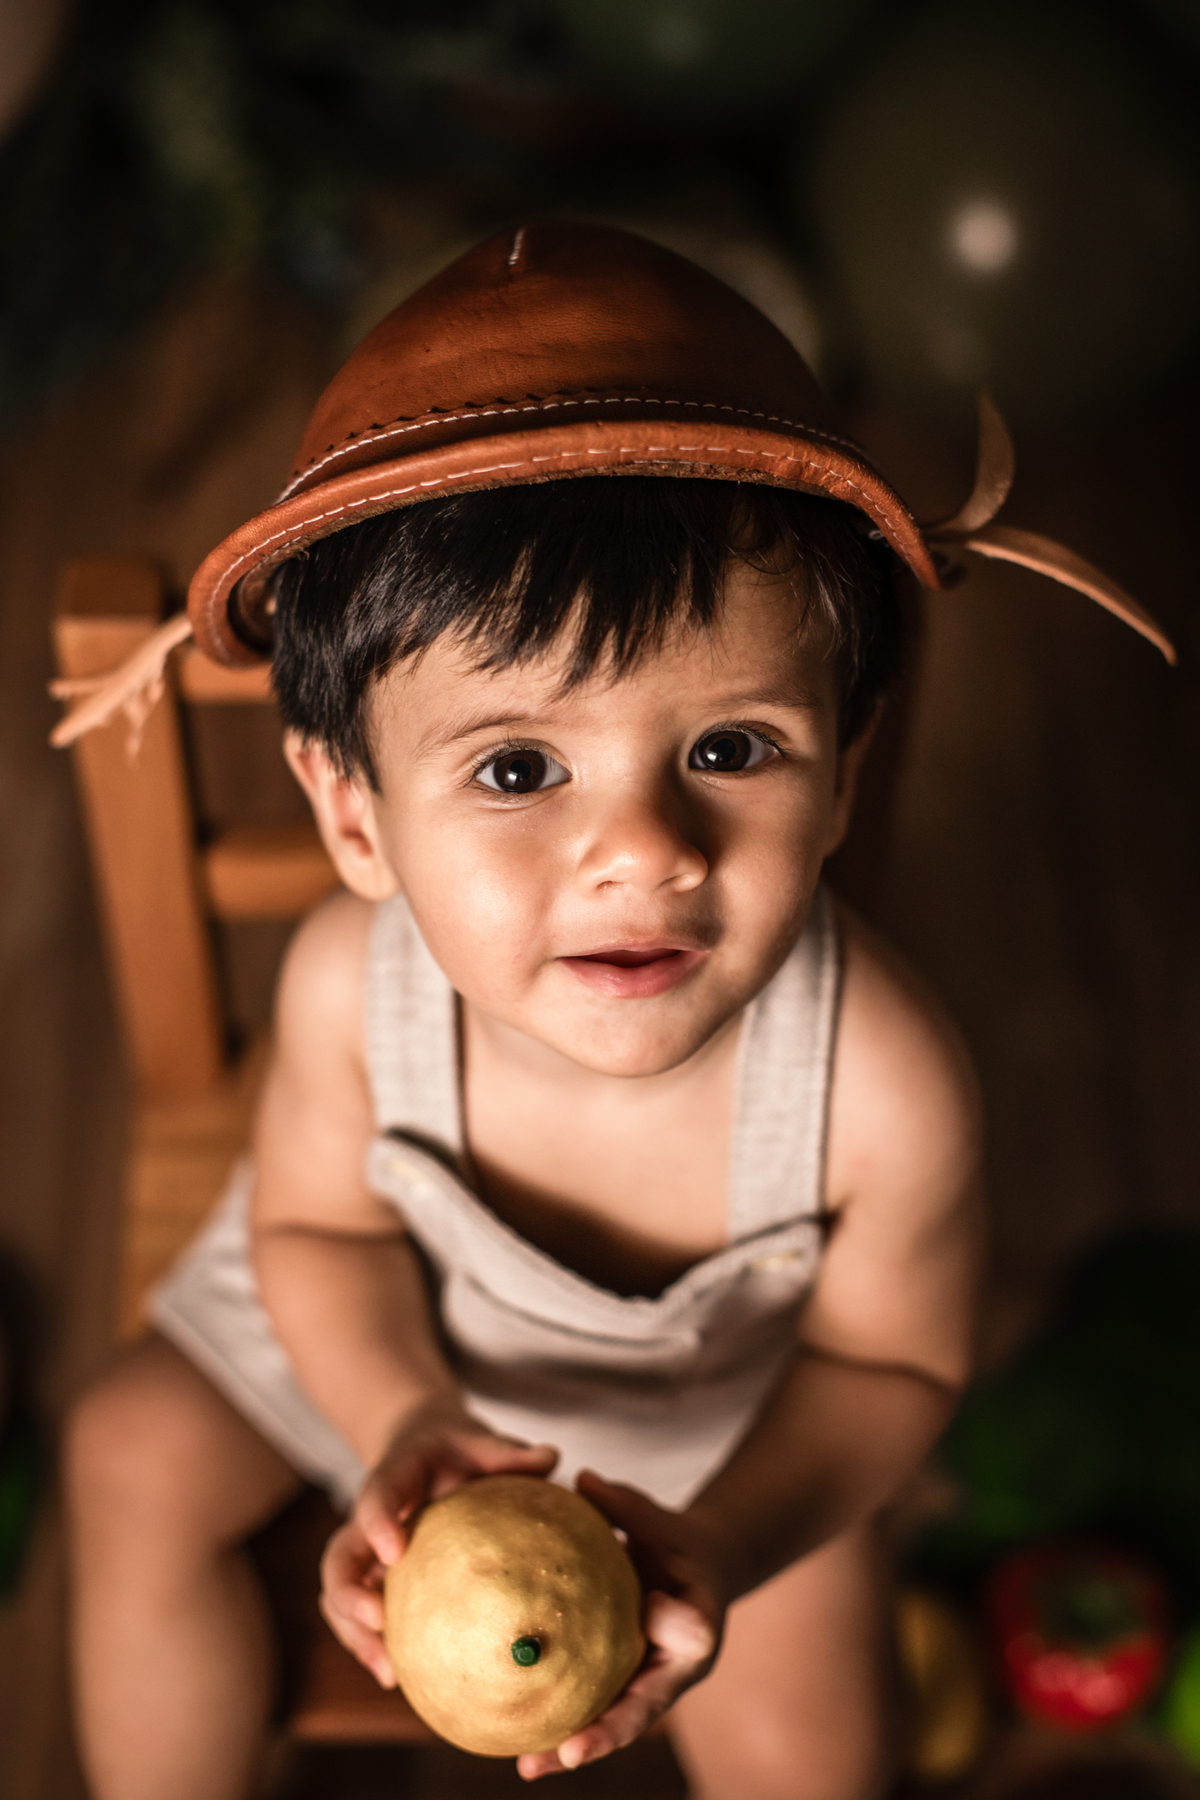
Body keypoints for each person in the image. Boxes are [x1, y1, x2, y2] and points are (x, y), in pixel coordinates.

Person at [61, 223, 1169, 1800]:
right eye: (517, 769)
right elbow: (318, 1239)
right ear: (355, 814)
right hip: (396, 1343)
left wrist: (731, 1535)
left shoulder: (883, 1083)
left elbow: (892, 1371)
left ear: (844, 770)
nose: (647, 849)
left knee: (814, 1752)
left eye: (731, 750)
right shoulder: (345, 990)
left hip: (723, 1438)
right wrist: (399, 1417)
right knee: (127, 1453)